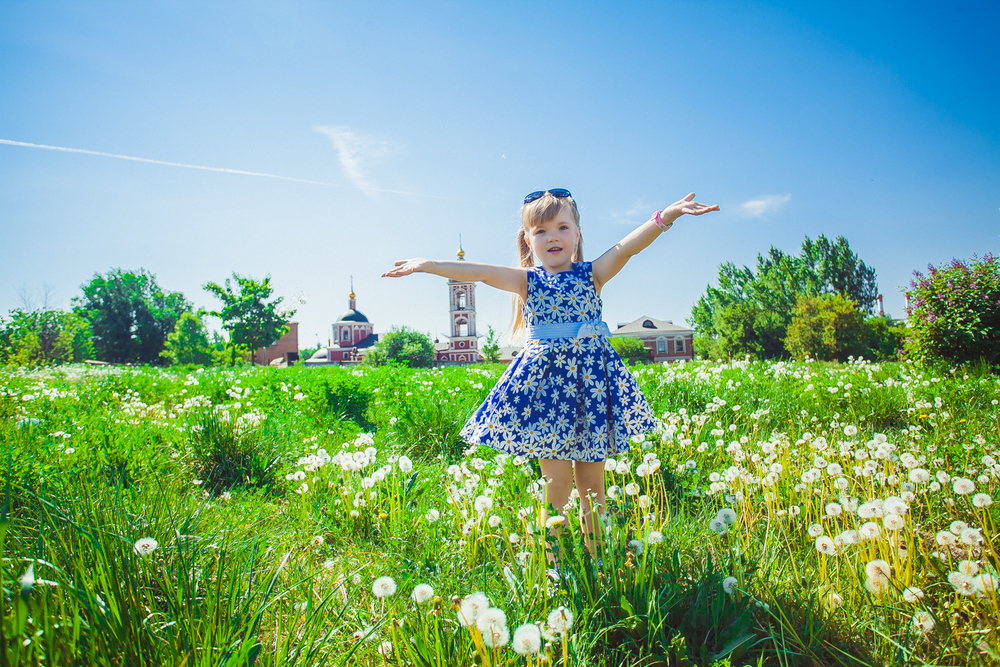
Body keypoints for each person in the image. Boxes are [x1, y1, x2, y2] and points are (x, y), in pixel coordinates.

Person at [382, 189, 719, 558]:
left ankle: (598, 558)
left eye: (562, 227)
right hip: (547, 393)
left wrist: (665, 216)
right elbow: (476, 271)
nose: (552, 236)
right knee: (556, 484)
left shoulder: (593, 275)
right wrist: (428, 264)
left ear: (577, 233)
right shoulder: (527, 280)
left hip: (590, 389)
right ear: (528, 240)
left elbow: (626, 248)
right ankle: (556, 562)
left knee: (593, 484)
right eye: (540, 231)